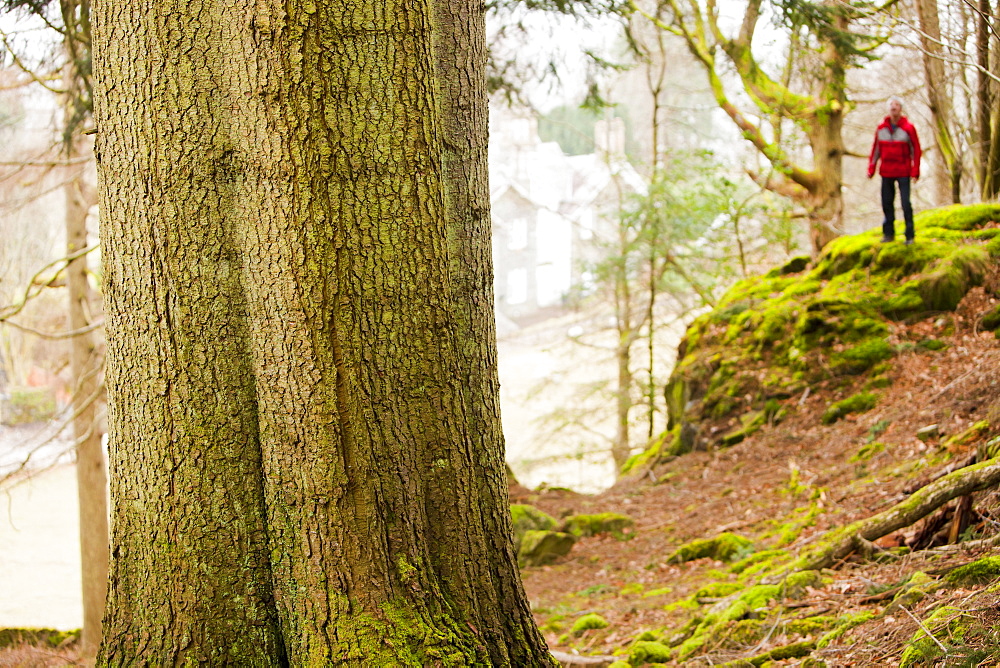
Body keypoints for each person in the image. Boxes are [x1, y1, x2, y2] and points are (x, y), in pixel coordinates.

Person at [867, 96, 921, 245]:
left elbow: (916, 150)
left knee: (905, 203)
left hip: (903, 171)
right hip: (886, 172)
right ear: (888, 108)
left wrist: (915, 170)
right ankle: (888, 234)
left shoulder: (909, 128)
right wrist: (871, 168)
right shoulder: (881, 128)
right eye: (891, 105)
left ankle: (909, 235)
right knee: (886, 203)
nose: (893, 107)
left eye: (896, 105)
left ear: (901, 108)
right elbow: (875, 150)